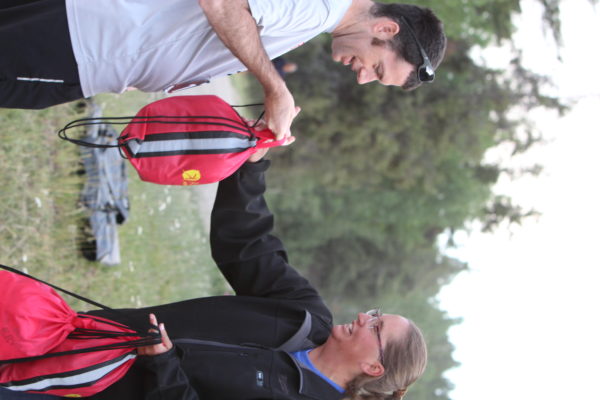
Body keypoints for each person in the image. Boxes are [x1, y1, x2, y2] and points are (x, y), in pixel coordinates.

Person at [0, 139, 427, 399]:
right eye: (375, 313)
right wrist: (252, 165)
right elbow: (247, 247)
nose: (363, 317)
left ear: (375, 367)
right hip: (77, 335)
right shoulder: (306, 316)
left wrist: (164, 365)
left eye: (376, 327)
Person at [1, 0, 447, 141]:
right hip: (88, 43)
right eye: (377, 69)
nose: (362, 77)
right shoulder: (321, 7)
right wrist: (275, 88)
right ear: (385, 29)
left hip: (90, 39)